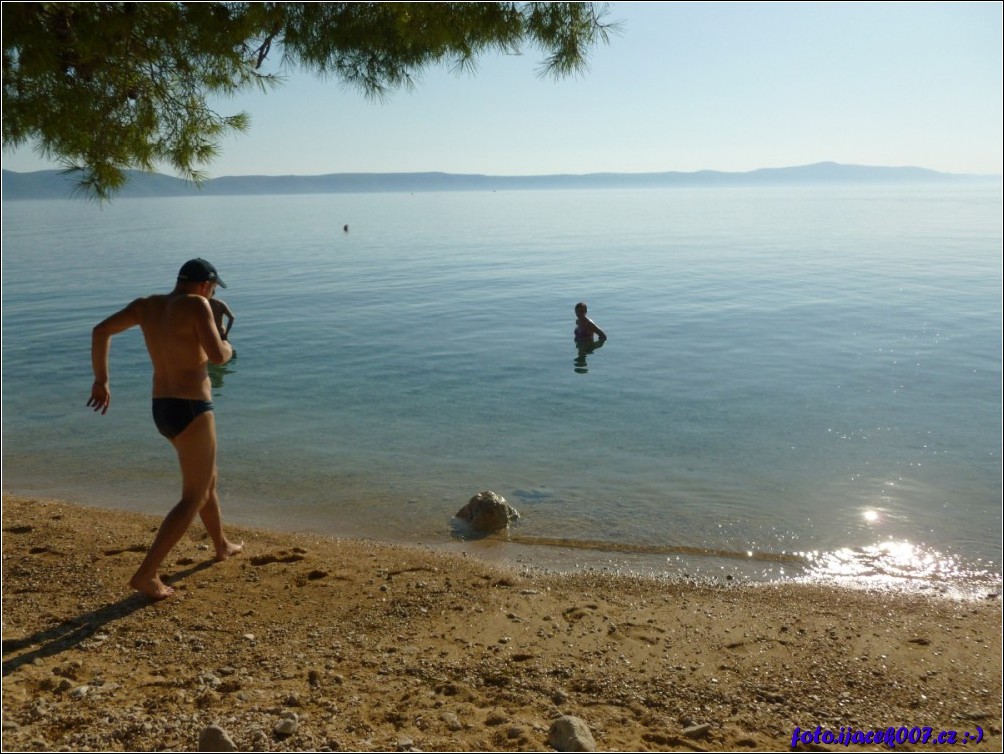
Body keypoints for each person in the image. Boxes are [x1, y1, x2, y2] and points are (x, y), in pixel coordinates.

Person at [88, 258, 242, 600]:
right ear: (206, 286)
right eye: (212, 289)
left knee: (207, 479)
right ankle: (146, 575)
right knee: (194, 495)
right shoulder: (198, 304)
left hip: (162, 407)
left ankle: (221, 545)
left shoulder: (146, 306)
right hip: (192, 408)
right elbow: (218, 356)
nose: (212, 294)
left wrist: (102, 380)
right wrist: (226, 341)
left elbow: (100, 331)